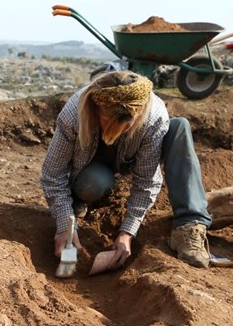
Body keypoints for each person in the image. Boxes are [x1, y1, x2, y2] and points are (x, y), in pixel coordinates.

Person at [39, 70, 212, 272]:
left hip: (132, 158)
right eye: (107, 122)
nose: (117, 130)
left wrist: (127, 233)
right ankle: (80, 203)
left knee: (180, 126)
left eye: (126, 126)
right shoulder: (74, 114)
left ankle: (189, 226)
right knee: (91, 185)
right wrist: (64, 224)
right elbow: (53, 174)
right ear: (96, 110)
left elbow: (147, 181)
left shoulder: (154, 117)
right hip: (93, 164)